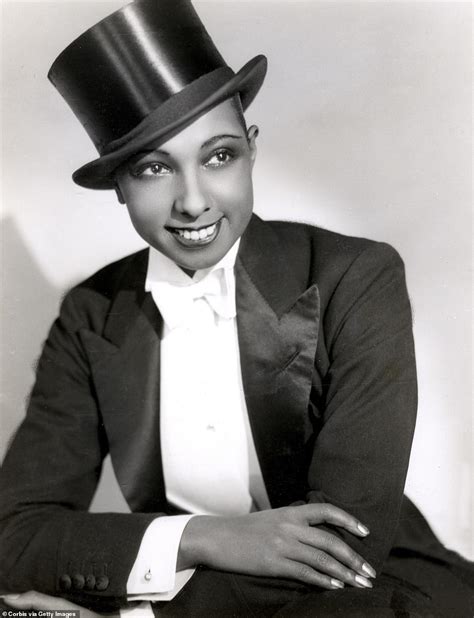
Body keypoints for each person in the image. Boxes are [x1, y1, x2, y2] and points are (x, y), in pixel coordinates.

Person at [0, 1, 472, 616]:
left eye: (218, 156)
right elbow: (14, 534)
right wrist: (205, 538)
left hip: (366, 591)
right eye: (153, 167)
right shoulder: (91, 314)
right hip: (194, 580)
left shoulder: (356, 276)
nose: (193, 201)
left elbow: (342, 544)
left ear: (251, 149)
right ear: (120, 186)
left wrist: (142, 617)